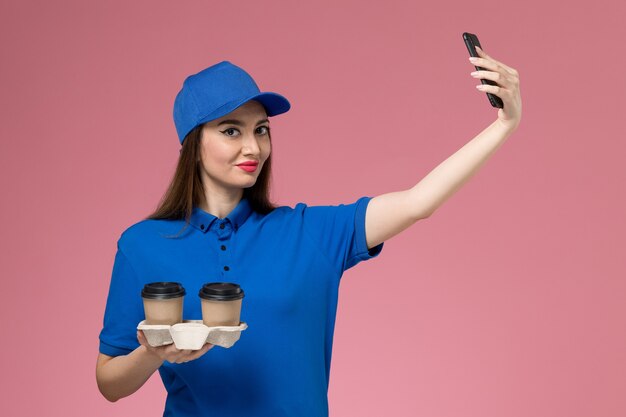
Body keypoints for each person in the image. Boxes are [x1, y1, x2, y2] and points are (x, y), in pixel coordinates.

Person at [96, 48, 522, 417]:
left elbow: (417, 202)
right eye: (231, 130)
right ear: (193, 142)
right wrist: (152, 353)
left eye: (261, 130)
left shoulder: (309, 233)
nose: (253, 147)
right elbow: (110, 382)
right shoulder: (142, 245)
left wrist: (503, 125)